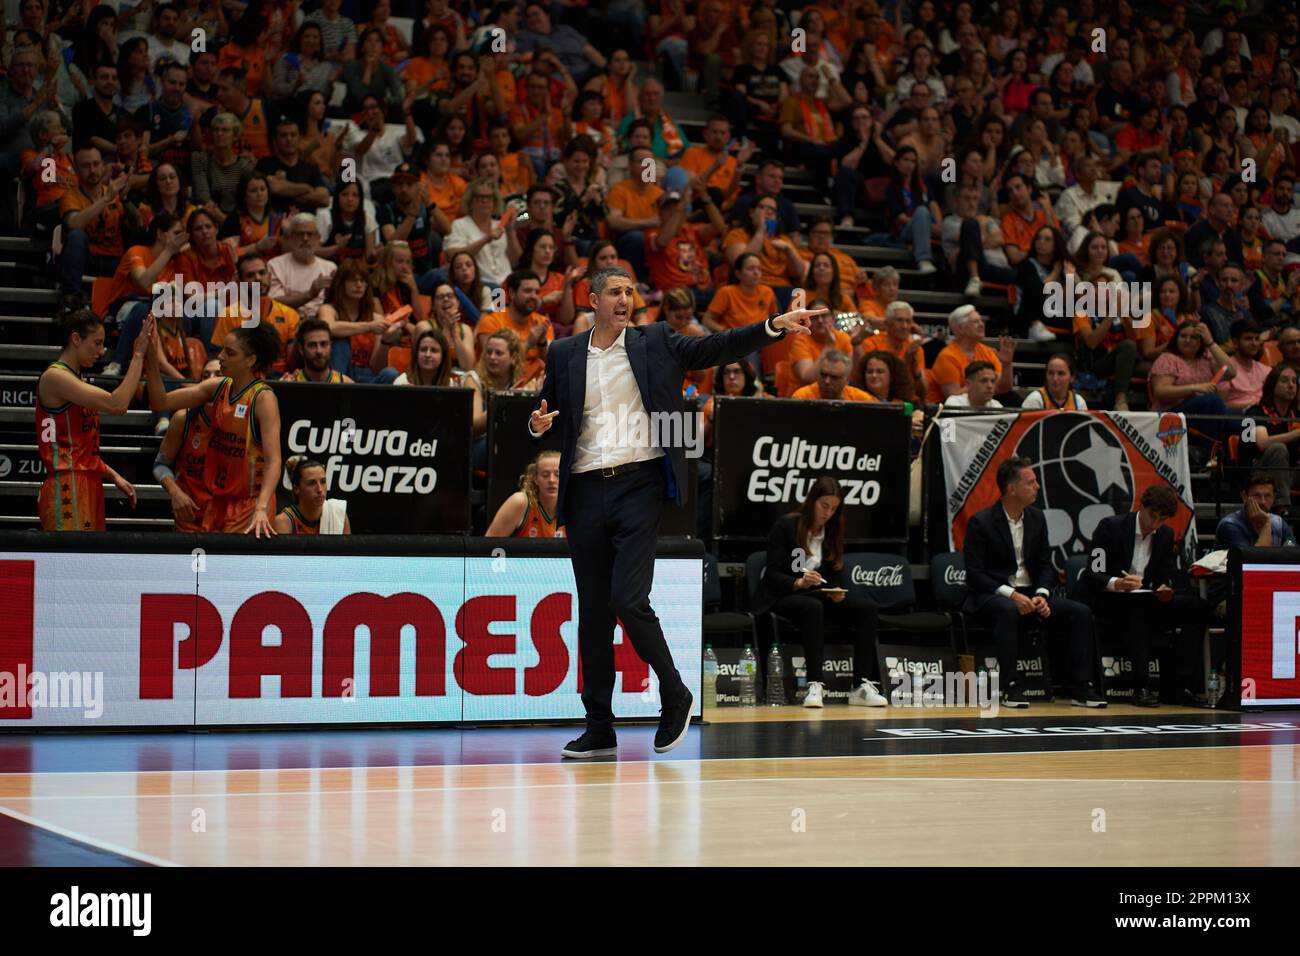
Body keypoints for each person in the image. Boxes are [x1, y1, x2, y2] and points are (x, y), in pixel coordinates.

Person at [527, 265, 818, 758]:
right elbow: (544, 411)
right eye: (615, 292)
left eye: (630, 291)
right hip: (584, 489)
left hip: (638, 485)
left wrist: (773, 326)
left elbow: (715, 347)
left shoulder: (656, 340)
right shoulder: (563, 352)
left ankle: (675, 692)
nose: (625, 299)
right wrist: (537, 425)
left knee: (627, 599)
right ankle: (599, 726)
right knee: (593, 614)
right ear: (592, 300)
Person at [962, 456, 1107, 709]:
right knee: (1008, 610)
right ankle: (1011, 686)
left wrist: (1042, 594)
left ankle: (1081, 687)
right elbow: (975, 574)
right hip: (992, 596)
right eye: (1031, 482)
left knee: (1079, 612)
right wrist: (1012, 595)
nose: (1037, 487)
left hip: (1031, 593)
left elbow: (1044, 565)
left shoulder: (1037, 518)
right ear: (1012, 489)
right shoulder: (981, 522)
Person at [146, 323, 283, 536]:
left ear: (250, 360)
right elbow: (159, 402)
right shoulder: (218, 386)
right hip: (218, 500)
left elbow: (274, 461)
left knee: (233, 567)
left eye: (230, 352)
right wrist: (152, 357)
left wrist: (262, 507)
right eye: (222, 349)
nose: (220, 357)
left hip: (249, 503)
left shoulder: (263, 399)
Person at [763, 475, 885, 709]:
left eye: (834, 508)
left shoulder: (832, 529)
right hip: (785, 595)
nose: (828, 513)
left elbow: (834, 571)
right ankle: (814, 684)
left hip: (818, 595)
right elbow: (771, 575)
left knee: (867, 608)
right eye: (824, 506)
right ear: (812, 502)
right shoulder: (787, 526)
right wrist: (798, 582)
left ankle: (860, 686)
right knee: (813, 607)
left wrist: (836, 591)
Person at [1084, 485, 1209, 707]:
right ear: (1142, 506)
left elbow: (1165, 574)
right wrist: (1117, 583)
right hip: (1112, 601)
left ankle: (1180, 684)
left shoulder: (1165, 535)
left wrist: (1164, 588)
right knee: (1140, 609)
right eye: (1152, 516)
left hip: (1147, 598)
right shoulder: (1109, 527)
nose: (1155, 524)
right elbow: (1093, 573)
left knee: (1196, 606)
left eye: (1161, 519)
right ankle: (1140, 686)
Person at [35, 310, 152, 531]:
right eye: (97, 343)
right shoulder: (55, 377)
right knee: (73, 561)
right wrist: (138, 355)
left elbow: (81, 447)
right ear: (76, 338)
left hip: (87, 479)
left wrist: (114, 475)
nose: (101, 351)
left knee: (91, 560)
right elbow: (117, 404)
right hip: (67, 483)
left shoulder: (77, 378)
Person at [154, 357, 222, 532]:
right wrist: (175, 492)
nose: (210, 380)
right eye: (205, 375)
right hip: (190, 516)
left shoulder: (241, 421)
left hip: (226, 518)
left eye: (218, 374)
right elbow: (160, 465)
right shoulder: (183, 418)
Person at [927, 305, 1015, 403]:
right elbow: (952, 397)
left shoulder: (987, 352)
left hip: (978, 402)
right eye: (975, 322)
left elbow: (1004, 388)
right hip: (948, 409)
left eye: (981, 321)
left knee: (1011, 398)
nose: (981, 324)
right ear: (961, 328)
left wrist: (1006, 364)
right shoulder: (947, 356)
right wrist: (979, 385)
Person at [1245, 364, 1300, 507]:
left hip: (1290, 474)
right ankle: (1283, 507)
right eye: (1284, 381)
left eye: (1294, 381)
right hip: (1260, 473)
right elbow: (1262, 444)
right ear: (1272, 385)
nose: (1291, 385)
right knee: (1278, 449)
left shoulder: (1296, 416)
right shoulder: (1256, 412)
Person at [485, 450, 566, 538]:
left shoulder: (574, 508)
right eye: (545, 475)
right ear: (535, 479)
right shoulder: (520, 502)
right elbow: (488, 546)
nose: (551, 480)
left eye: (558, 475)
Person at [1214, 473, 1297, 549]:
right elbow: (1253, 562)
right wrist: (1266, 525)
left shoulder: (1279, 523)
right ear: (1244, 496)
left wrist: (1289, 545)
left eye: (1267, 496)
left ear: (1274, 497)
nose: (1262, 502)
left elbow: (1291, 546)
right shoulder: (1229, 525)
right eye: (1257, 496)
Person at [273, 456, 352, 535]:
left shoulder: (338, 515)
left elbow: (347, 547)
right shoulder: (283, 522)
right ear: (296, 489)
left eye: (323, 482)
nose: (319, 489)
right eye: (311, 483)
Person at [282, 319, 352, 384]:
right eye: (312, 345)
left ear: (331, 346)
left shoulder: (347, 384)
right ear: (301, 349)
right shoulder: (290, 384)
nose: (319, 351)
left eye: (324, 344)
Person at [791, 350, 872, 402]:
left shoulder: (861, 400)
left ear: (847, 380)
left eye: (834, 377)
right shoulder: (801, 397)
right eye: (823, 375)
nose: (827, 381)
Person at [1020, 353, 1088, 410]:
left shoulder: (1079, 402)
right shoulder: (1034, 400)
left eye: (1061, 373)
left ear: (1072, 377)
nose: (1055, 378)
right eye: (1051, 373)